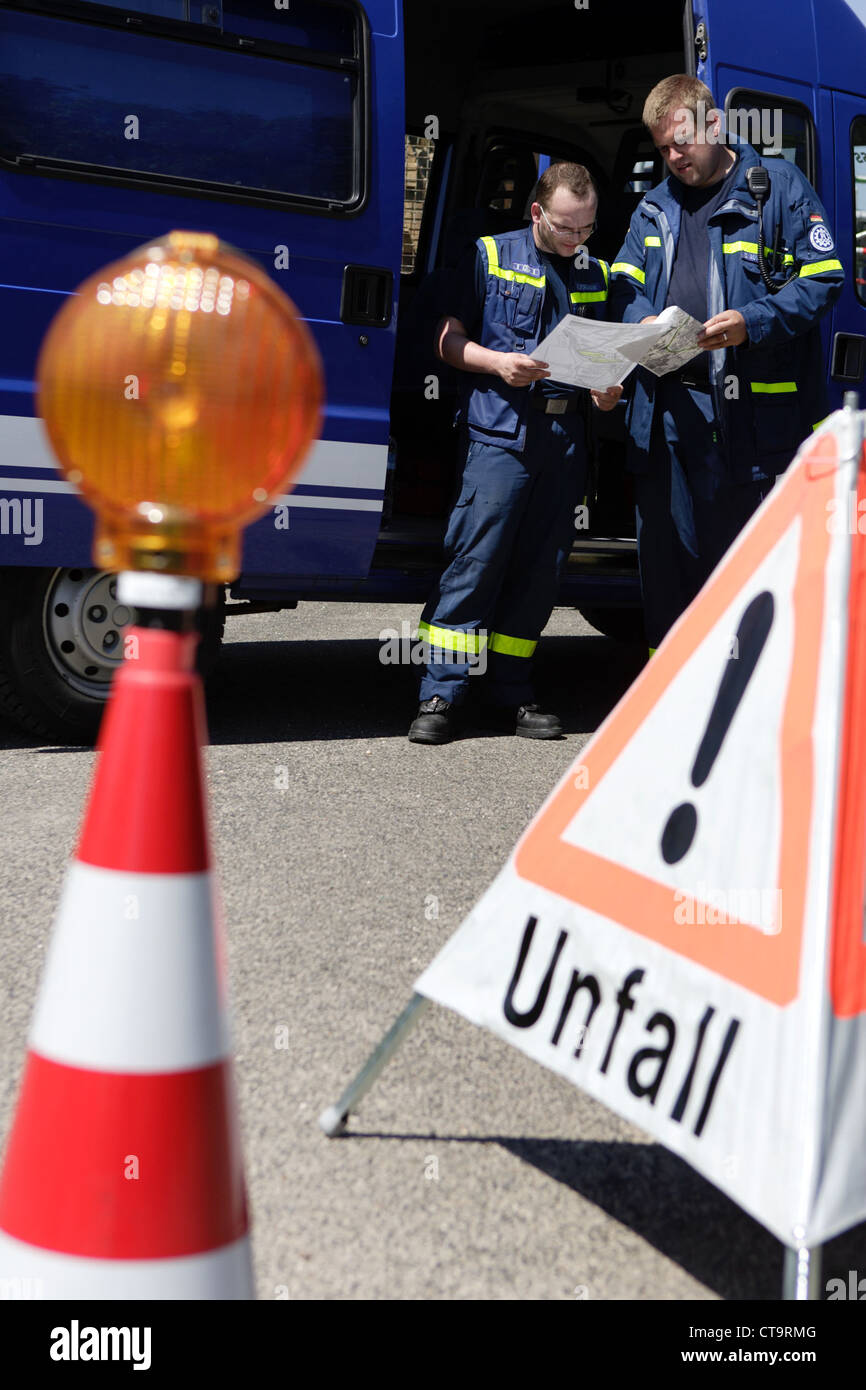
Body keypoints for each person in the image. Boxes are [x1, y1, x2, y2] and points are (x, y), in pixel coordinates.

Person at [609, 75, 844, 651]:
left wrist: (751, 323)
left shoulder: (777, 188)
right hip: (665, 407)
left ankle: (736, 698)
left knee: (734, 559)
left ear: (713, 125)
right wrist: (639, 319)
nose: (672, 158)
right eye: (661, 148)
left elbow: (823, 278)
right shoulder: (655, 203)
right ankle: (667, 696)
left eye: (680, 144)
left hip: (742, 412)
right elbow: (621, 280)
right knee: (665, 560)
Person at [408, 161, 622, 745]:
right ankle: (439, 693)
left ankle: (512, 694)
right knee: (474, 562)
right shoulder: (489, 255)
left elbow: (606, 357)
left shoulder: (597, 273)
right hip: (500, 434)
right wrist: (498, 363)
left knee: (539, 574)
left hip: (565, 440)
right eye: (564, 228)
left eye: (586, 229)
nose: (576, 240)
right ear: (536, 213)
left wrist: (607, 393)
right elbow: (446, 341)